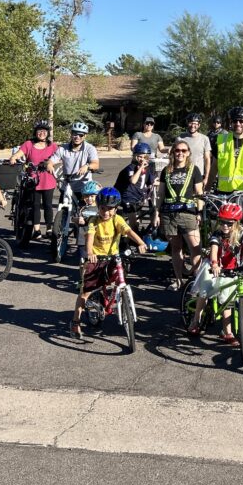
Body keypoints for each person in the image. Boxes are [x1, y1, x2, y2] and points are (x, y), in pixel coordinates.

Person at [70, 187, 147, 340]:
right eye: (102, 208)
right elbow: (90, 237)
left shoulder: (117, 219)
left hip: (113, 257)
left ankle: (120, 299)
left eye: (110, 209)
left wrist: (140, 242)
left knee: (120, 277)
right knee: (85, 292)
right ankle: (75, 322)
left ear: (116, 208)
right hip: (96, 258)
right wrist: (90, 253)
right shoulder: (94, 221)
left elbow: (128, 231)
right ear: (98, 208)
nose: (106, 212)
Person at [187, 202, 243, 342]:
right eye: (222, 222)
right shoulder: (217, 234)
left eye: (229, 224)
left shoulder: (241, 233)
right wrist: (215, 264)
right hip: (214, 266)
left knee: (227, 299)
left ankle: (227, 331)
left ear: (236, 223)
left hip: (232, 269)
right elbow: (214, 250)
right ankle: (196, 320)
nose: (225, 226)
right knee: (204, 291)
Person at [155, 141, 205, 289]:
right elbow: (161, 194)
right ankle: (179, 280)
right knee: (176, 249)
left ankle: (197, 281)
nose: (180, 153)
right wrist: (156, 213)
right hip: (169, 215)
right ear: (172, 153)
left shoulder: (193, 170)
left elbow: (199, 193)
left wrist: (199, 212)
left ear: (188, 152)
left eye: (183, 150)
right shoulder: (166, 171)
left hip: (188, 214)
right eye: (177, 150)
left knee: (195, 248)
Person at [47, 121, 100, 254]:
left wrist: (87, 166)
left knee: (84, 216)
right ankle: (58, 237)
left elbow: (95, 164)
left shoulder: (89, 148)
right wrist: (49, 165)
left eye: (80, 135)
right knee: (62, 212)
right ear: (71, 134)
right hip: (67, 184)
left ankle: (84, 244)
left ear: (84, 136)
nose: (77, 137)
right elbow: (52, 160)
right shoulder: (63, 148)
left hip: (83, 186)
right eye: (74, 134)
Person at [9, 120, 59, 247]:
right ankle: (36, 230)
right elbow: (19, 153)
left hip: (48, 179)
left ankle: (48, 228)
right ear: (35, 132)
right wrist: (13, 158)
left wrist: (50, 164)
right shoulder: (29, 144)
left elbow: (59, 158)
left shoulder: (52, 146)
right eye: (39, 131)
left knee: (48, 205)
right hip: (33, 180)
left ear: (47, 133)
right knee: (35, 205)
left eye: (44, 131)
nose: (42, 133)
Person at [114, 142, 158, 232]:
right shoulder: (130, 168)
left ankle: (137, 235)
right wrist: (141, 168)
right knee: (133, 222)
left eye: (144, 157)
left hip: (138, 197)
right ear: (134, 156)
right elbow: (133, 181)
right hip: (127, 197)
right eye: (139, 156)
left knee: (150, 213)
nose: (142, 159)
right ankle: (132, 239)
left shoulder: (149, 168)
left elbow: (152, 182)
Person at [177, 113, 213, 190]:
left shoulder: (204, 139)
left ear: (199, 125)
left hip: (199, 174)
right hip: (182, 173)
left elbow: (207, 159)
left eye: (195, 124)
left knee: (199, 198)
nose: (193, 126)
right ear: (187, 123)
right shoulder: (180, 138)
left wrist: (206, 177)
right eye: (191, 123)